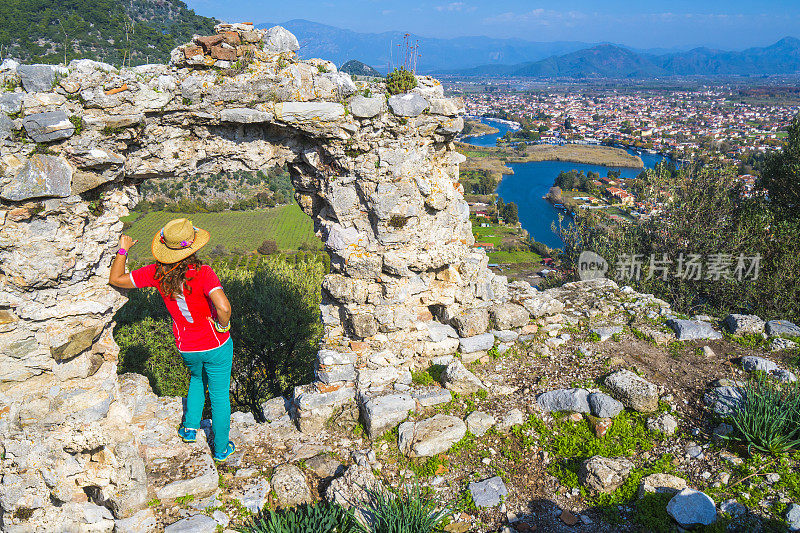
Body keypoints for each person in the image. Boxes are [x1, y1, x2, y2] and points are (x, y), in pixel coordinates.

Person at [108, 218, 236, 463]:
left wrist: (123, 250)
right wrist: (223, 326)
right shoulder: (203, 273)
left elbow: (116, 279)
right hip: (216, 343)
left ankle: (189, 429)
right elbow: (223, 306)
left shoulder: (156, 274)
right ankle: (221, 449)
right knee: (219, 395)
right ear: (193, 248)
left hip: (186, 345)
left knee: (197, 378)